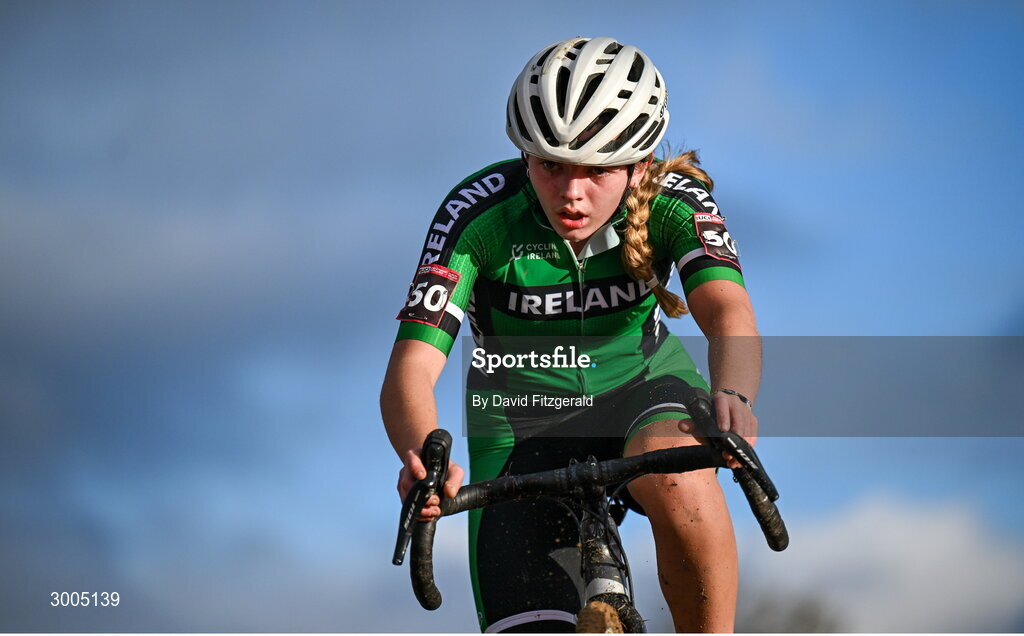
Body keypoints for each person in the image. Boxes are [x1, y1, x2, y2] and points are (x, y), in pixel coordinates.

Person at [381, 36, 761, 633]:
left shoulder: (672, 204)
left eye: (597, 170)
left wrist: (733, 396)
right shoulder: (477, 216)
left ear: (639, 163)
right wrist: (423, 452)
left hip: (644, 390)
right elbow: (412, 364)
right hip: (520, 417)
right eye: (551, 165)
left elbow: (728, 312)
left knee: (681, 479)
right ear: (524, 155)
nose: (572, 193)